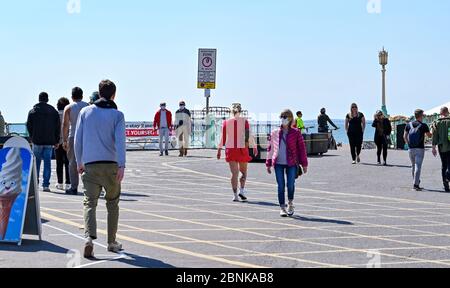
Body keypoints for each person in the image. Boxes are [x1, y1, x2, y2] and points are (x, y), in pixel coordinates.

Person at [75, 80, 126, 258]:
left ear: (98, 92)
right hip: (111, 165)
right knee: (112, 204)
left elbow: (78, 140)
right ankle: (111, 242)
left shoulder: (85, 112)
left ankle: (89, 238)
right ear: (114, 95)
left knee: (90, 203)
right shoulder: (117, 115)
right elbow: (120, 142)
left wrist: (78, 162)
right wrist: (122, 165)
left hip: (90, 165)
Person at [266, 109, 308, 217]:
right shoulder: (275, 133)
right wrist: (268, 163)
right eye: (281, 117)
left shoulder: (296, 133)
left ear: (290, 119)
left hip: (292, 163)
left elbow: (302, 149)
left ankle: (290, 203)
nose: (282, 119)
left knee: (290, 184)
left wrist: (304, 164)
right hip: (278, 163)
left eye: (285, 117)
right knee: (280, 185)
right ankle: (282, 207)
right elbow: (270, 148)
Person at [217, 103, 258, 202]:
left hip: (231, 149)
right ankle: (242, 190)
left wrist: (219, 150)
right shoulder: (244, 121)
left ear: (231, 112)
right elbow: (248, 135)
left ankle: (235, 195)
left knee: (234, 173)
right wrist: (254, 146)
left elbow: (223, 137)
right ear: (240, 111)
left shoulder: (226, 122)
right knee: (243, 172)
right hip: (242, 148)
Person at [26, 92, 61, 192]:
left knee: (36, 163)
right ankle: (46, 185)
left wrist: (32, 136)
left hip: (37, 140)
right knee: (47, 163)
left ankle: (35, 184)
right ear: (47, 99)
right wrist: (56, 140)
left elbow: (29, 125)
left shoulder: (33, 111)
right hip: (49, 141)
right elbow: (57, 127)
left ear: (39, 99)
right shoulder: (53, 112)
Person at [62, 87, 89, 195]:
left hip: (73, 135)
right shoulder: (88, 106)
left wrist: (64, 140)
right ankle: (89, 186)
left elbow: (65, 124)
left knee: (72, 162)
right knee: (88, 161)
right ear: (82, 95)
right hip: (86, 136)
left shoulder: (68, 107)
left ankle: (74, 187)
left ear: (72, 96)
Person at [404, 109, 432, 191]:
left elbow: (404, 136)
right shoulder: (423, 125)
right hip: (420, 148)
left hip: (411, 148)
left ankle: (415, 181)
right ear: (421, 115)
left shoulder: (408, 125)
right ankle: (416, 184)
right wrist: (432, 131)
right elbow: (429, 136)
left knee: (413, 166)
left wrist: (408, 144)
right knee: (418, 166)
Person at [432, 107, 450, 192]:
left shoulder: (437, 122)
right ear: (447, 112)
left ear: (441, 113)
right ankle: (448, 175)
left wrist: (433, 147)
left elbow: (434, 136)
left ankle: (445, 184)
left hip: (441, 146)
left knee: (444, 165)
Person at [55, 97, 71, 191]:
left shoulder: (55, 115)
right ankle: (68, 183)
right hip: (67, 141)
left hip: (58, 141)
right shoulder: (69, 113)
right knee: (68, 163)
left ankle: (60, 182)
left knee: (59, 163)